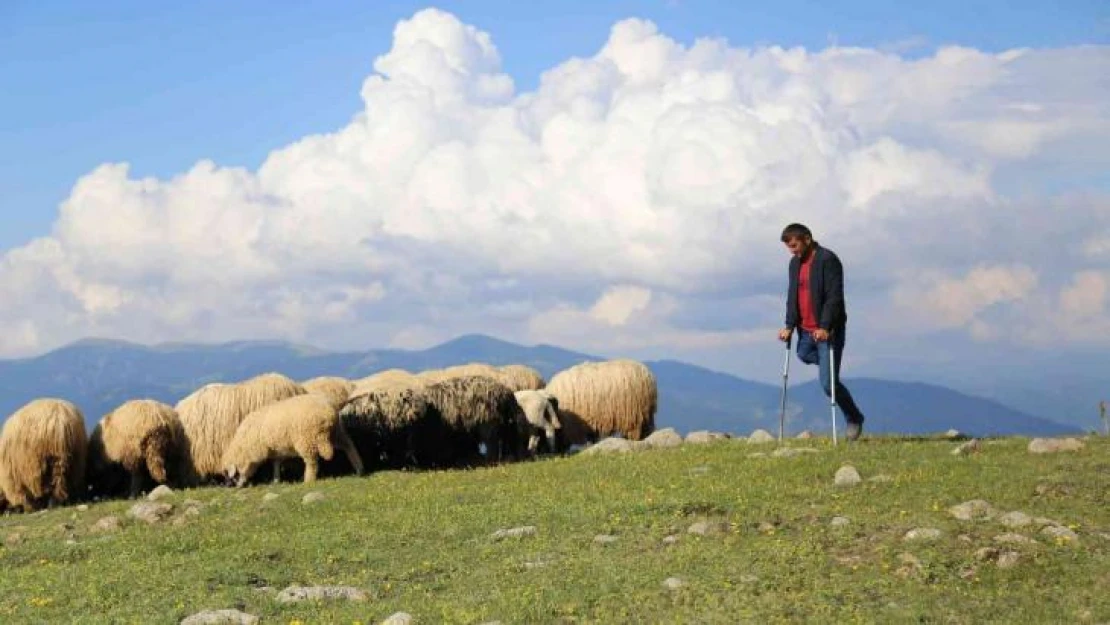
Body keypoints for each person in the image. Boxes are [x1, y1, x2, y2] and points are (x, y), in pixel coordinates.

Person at [777, 223, 866, 440]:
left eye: (795, 245)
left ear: (807, 239)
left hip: (827, 330)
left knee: (828, 384)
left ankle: (854, 418)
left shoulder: (828, 260)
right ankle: (828, 365)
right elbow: (793, 296)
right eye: (789, 247)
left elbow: (834, 297)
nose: (792, 251)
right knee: (803, 354)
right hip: (805, 331)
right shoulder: (794, 264)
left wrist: (825, 327)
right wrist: (789, 326)